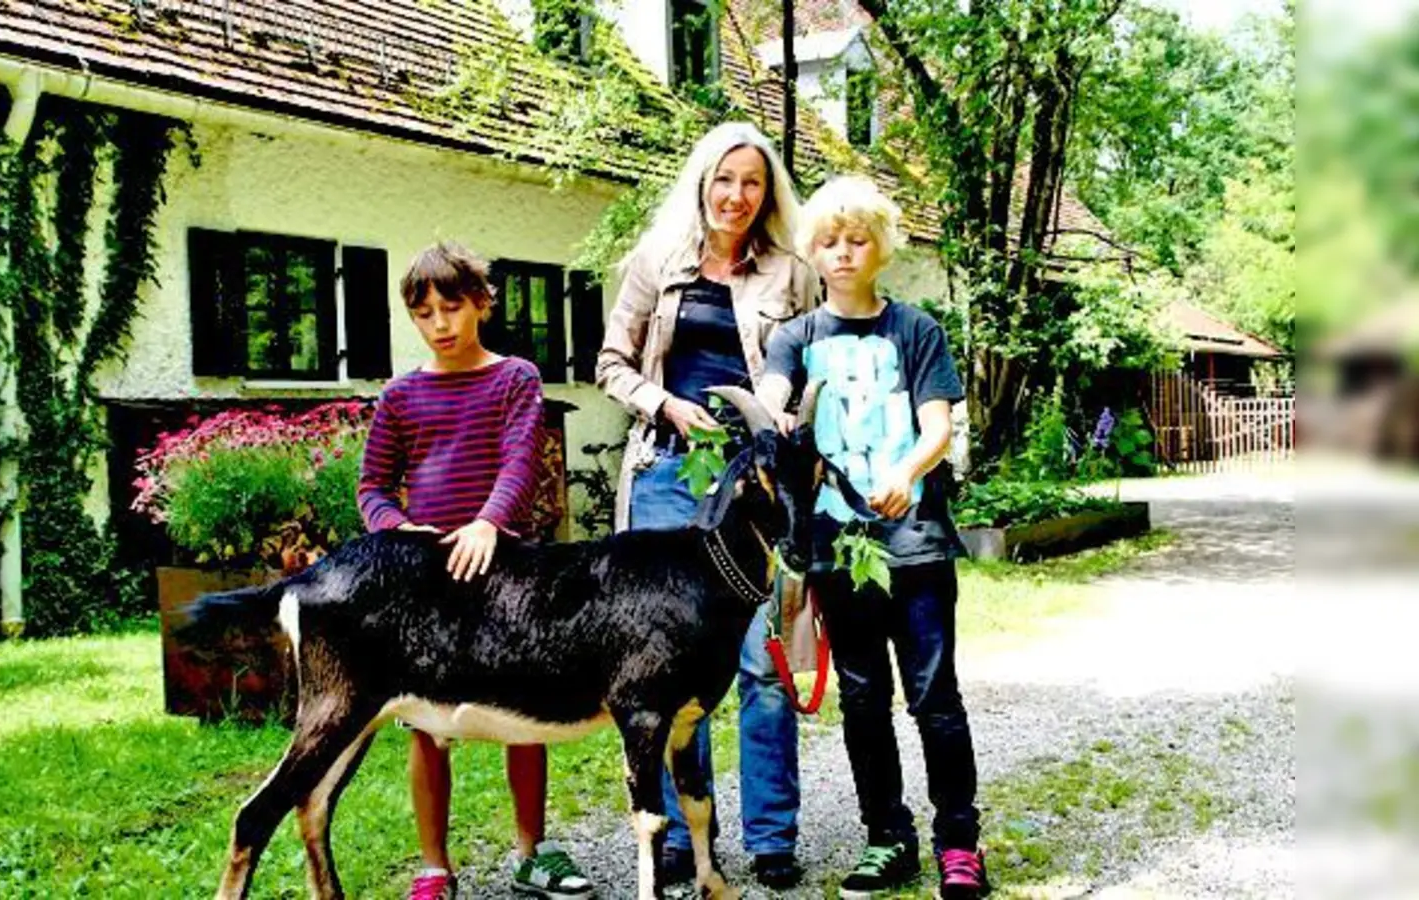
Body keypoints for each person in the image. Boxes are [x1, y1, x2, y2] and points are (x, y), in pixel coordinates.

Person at [594, 121, 820, 893]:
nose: (736, 195)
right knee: (657, 670)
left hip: (752, 488)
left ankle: (773, 835)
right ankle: (679, 838)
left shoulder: (792, 272)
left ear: (768, 193)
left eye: (752, 182)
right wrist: (663, 404)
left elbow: (808, 367)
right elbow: (611, 364)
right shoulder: (656, 262)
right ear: (702, 182)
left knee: (761, 659)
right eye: (724, 179)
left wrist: (789, 419)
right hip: (666, 474)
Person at [756, 176, 991, 899]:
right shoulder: (796, 337)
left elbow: (938, 426)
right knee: (862, 697)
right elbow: (772, 392)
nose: (844, 253)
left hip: (913, 541)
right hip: (837, 545)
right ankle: (887, 838)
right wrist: (776, 413)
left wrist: (909, 470)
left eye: (857, 239)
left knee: (934, 697)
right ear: (812, 251)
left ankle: (959, 844)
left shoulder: (915, 331)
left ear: (881, 246)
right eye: (829, 241)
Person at [358, 242, 595, 900]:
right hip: (425, 582)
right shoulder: (400, 396)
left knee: (525, 714)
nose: (439, 322)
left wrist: (489, 523)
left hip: (506, 573)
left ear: (482, 305)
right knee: (426, 725)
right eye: (424, 311)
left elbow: (521, 462)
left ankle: (532, 852)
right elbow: (372, 487)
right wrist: (396, 530)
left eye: (452, 306)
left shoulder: (515, 378)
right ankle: (434, 866)